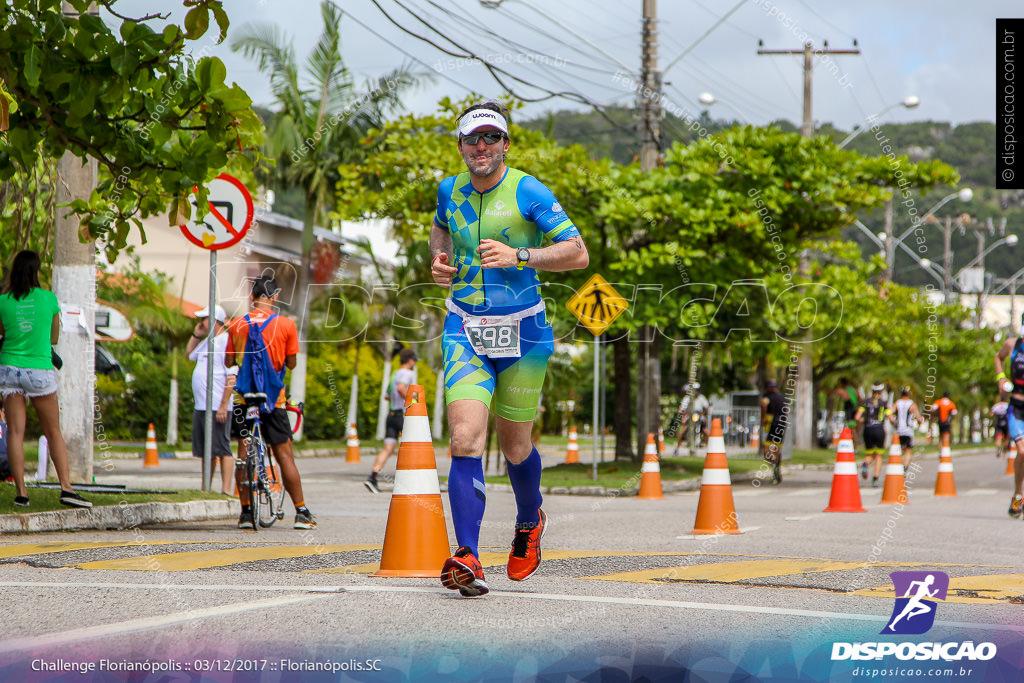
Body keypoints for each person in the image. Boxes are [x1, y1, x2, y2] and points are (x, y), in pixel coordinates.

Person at [430, 101, 589, 597]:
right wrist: (439, 259)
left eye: (491, 138)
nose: (482, 147)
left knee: (515, 446)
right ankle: (469, 555)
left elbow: (577, 252)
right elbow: (440, 226)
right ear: (460, 146)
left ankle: (528, 521)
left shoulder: (527, 189)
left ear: (506, 144)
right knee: (464, 437)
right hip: (464, 326)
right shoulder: (448, 189)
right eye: (473, 139)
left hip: (523, 331)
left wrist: (521, 255)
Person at [0, 250, 91, 508]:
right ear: (36, 271)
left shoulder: (3, 301)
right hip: (39, 370)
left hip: (8, 369)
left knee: (15, 432)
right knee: (53, 431)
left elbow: (3, 332)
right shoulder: (49, 299)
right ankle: (66, 488)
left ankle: (21, 494)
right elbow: (53, 338)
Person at [226, 275, 316, 530]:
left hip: (245, 399)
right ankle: (301, 512)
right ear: (275, 297)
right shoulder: (286, 324)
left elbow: (228, 362)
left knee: (243, 454)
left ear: (252, 297)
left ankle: (245, 514)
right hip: (273, 400)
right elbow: (291, 363)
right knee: (284, 454)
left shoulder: (236, 325)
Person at [185, 304, 237, 496]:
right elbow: (189, 355)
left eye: (204, 318)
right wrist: (196, 334)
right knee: (206, 451)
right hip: (202, 405)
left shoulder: (226, 341)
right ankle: (205, 487)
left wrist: (224, 405)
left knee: (222, 448)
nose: (200, 322)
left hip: (217, 405)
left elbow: (231, 376)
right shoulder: (208, 341)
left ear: (215, 320)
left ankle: (225, 490)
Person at [364, 347, 418, 493]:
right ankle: (410, 481)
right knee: (413, 446)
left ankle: (373, 477)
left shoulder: (394, 374)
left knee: (388, 449)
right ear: (409, 360)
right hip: (402, 415)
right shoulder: (407, 373)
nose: (415, 363)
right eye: (414, 360)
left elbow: (387, 396)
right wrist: (412, 400)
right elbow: (401, 388)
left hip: (391, 415)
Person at [994, 325, 1024, 518]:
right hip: (1016, 406)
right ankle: (1017, 495)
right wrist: (1001, 378)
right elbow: (998, 357)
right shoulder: (1012, 345)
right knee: (1022, 451)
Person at [855, 384, 889, 487]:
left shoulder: (865, 402)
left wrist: (863, 420)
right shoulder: (883, 403)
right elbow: (891, 417)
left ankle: (865, 463)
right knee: (878, 456)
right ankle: (875, 479)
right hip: (879, 430)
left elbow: (857, 417)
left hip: (868, 430)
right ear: (881, 392)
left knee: (869, 454)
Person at [760, 379, 787, 485]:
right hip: (781, 424)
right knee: (777, 449)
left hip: (771, 424)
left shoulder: (767, 396)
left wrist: (763, 418)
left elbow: (763, 405)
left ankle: (774, 466)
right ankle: (777, 469)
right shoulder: (782, 397)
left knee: (767, 450)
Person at [890, 387, 922, 470]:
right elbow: (919, 418)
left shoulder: (897, 403)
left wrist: (893, 422)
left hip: (898, 430)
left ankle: (899, 466)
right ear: (909, 394)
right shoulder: (912, 404)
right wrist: (919, 422)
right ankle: (905, 467)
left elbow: (889, 414)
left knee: (900, 450)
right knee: (908, 451)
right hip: (908, 431)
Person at [673, 383, 709, 455]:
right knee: (682, 431)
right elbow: (681, 409)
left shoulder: (701, 398)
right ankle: (677, 448)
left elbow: (707, 408)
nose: (695, 392)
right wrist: (682, 414)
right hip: (689, 416)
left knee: (705, 431)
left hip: (699, 415)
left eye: (696, 390)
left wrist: (705, 413)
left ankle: (709, 448)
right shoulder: (687, 398)